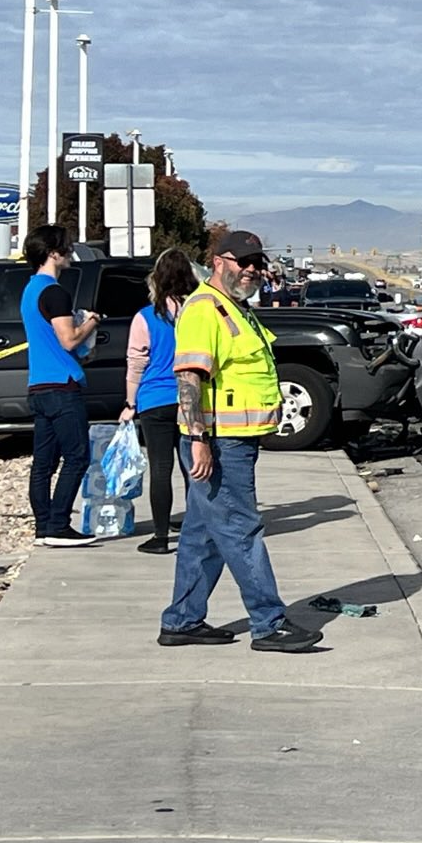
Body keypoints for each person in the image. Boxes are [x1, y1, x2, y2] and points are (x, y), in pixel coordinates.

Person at [159, 230, 319, 652]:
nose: (251, 270)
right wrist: (197, 440)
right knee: (241, 530)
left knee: (203, 534)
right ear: (217, 261)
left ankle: (182, 620)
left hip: (235, 441)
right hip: (218, 442)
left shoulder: (237, 309)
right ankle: (269, 623)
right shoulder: (203, 310)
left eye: (256, 263)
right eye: (242, 261)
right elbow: (189, 378)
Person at [22, 223, 101, 547]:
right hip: (62, 384)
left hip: (38, 385)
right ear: (54, 252)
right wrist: (92, 322)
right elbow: (68, 340)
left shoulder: (30, 290)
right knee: (77, 456)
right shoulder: (55, 292)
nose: (70, 252)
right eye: (67, 247)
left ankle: (44, 526)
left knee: (43, 462)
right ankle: (58, 524)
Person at [122, 247, 200, 554]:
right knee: (191, 467)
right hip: (189, 398)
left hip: (154, 399)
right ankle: (196, 524)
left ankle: (160, 535)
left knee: (161, 468)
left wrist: (130, 404)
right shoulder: (196, 312)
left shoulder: (145, 317)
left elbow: (136, 363)